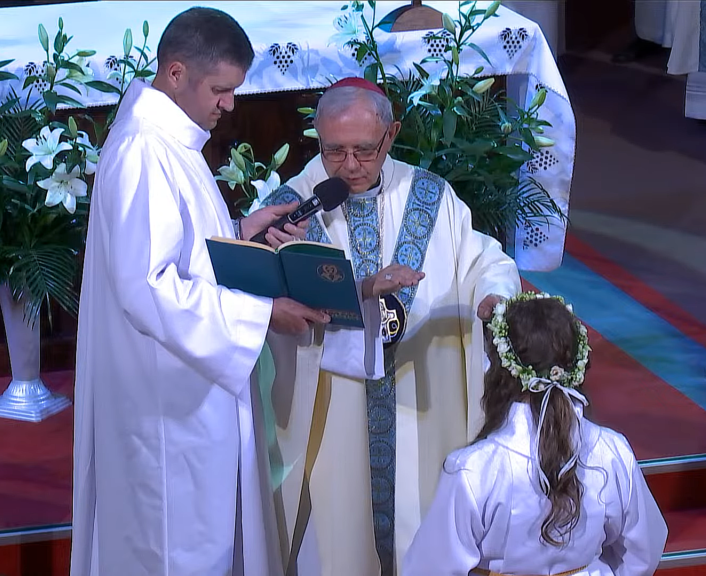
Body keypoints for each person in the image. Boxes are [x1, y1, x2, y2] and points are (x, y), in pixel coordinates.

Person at [69, 7, 331, 576]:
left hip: (186, 389)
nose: (229, 105)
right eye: (220, 89)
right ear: (176, 73)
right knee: (174, 549)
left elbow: (173, 248)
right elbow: (148, 286)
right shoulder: (144, 150)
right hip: (165, 406)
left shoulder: (171, 140)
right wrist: (261, 315)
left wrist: (241, 230)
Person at [258, 77, 522, 576]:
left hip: (420, 398)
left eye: (364, 150)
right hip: (333, 411)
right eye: (334, 151)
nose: (350, 166)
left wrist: (493, 295)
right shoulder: (292, 207)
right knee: (338, 538)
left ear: (392, 134)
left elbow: (483, 258)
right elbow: (267, 302)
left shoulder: (430, 197)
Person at [403, 292, 668, 575]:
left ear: (500, 372)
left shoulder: (474, 470)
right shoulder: (612, 452)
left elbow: (430, 569)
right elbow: (643, 552)